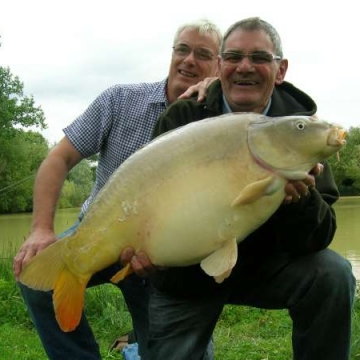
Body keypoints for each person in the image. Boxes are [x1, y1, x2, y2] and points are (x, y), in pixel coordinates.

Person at [147, 17, 356, 360]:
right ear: (219, 65)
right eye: (233, 57)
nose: (245, 67)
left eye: (259, 58)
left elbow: (319, 237)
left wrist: (299, 203)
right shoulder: (184, 116)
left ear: (280, 69)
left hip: (267, 266)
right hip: (186, 272)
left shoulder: (302, 129)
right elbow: (151, 200)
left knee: (332, 274)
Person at [12, 19, 222, 360]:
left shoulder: (217, 115)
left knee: (178, 354)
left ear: (217, 64)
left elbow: (268, 122)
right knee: (33, 276)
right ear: (171, 54)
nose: (188, 60)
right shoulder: (120, 99)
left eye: (203, 54)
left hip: (163, 253)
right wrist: (40, 229)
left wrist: (220, 92)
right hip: (97, 233)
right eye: (182, 49)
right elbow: (59, 158)